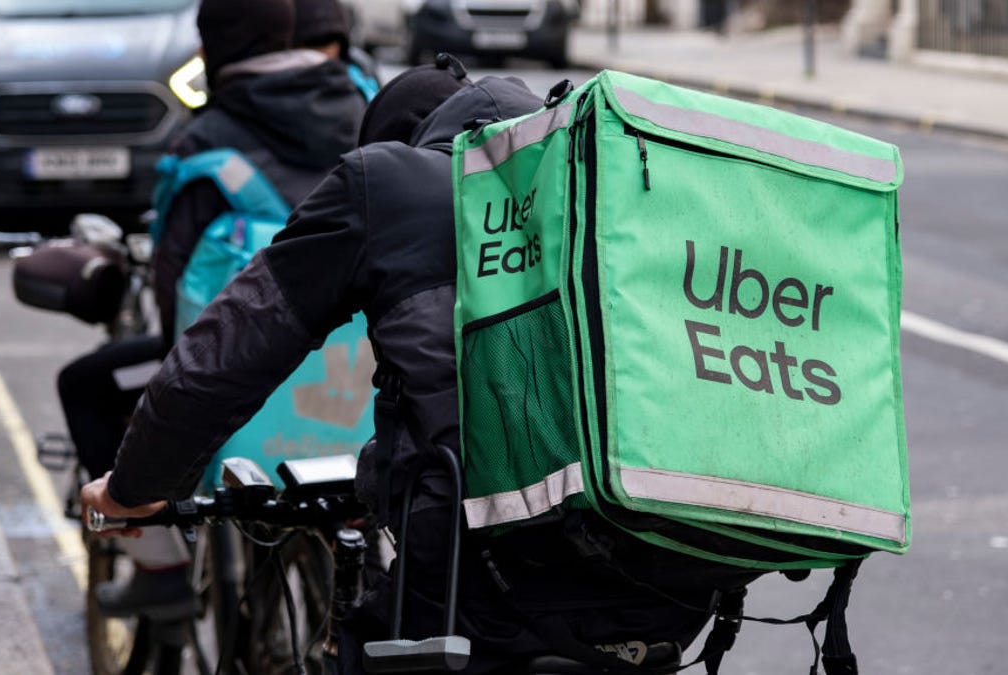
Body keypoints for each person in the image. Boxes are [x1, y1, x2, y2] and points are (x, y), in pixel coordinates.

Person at [83, 60, 720, 673]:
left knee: (373, 644)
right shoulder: (609, 180)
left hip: (473, 586)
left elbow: (220, 359)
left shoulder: (385, 184)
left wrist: (133, 489)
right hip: (670, 575)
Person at [59, 0, 368, 619]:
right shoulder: (364, 104)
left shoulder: (204, 142)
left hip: (243, 356)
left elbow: (176, 299)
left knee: (85, 384)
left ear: (210, 52)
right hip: (365, 361)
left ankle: (159, 566)